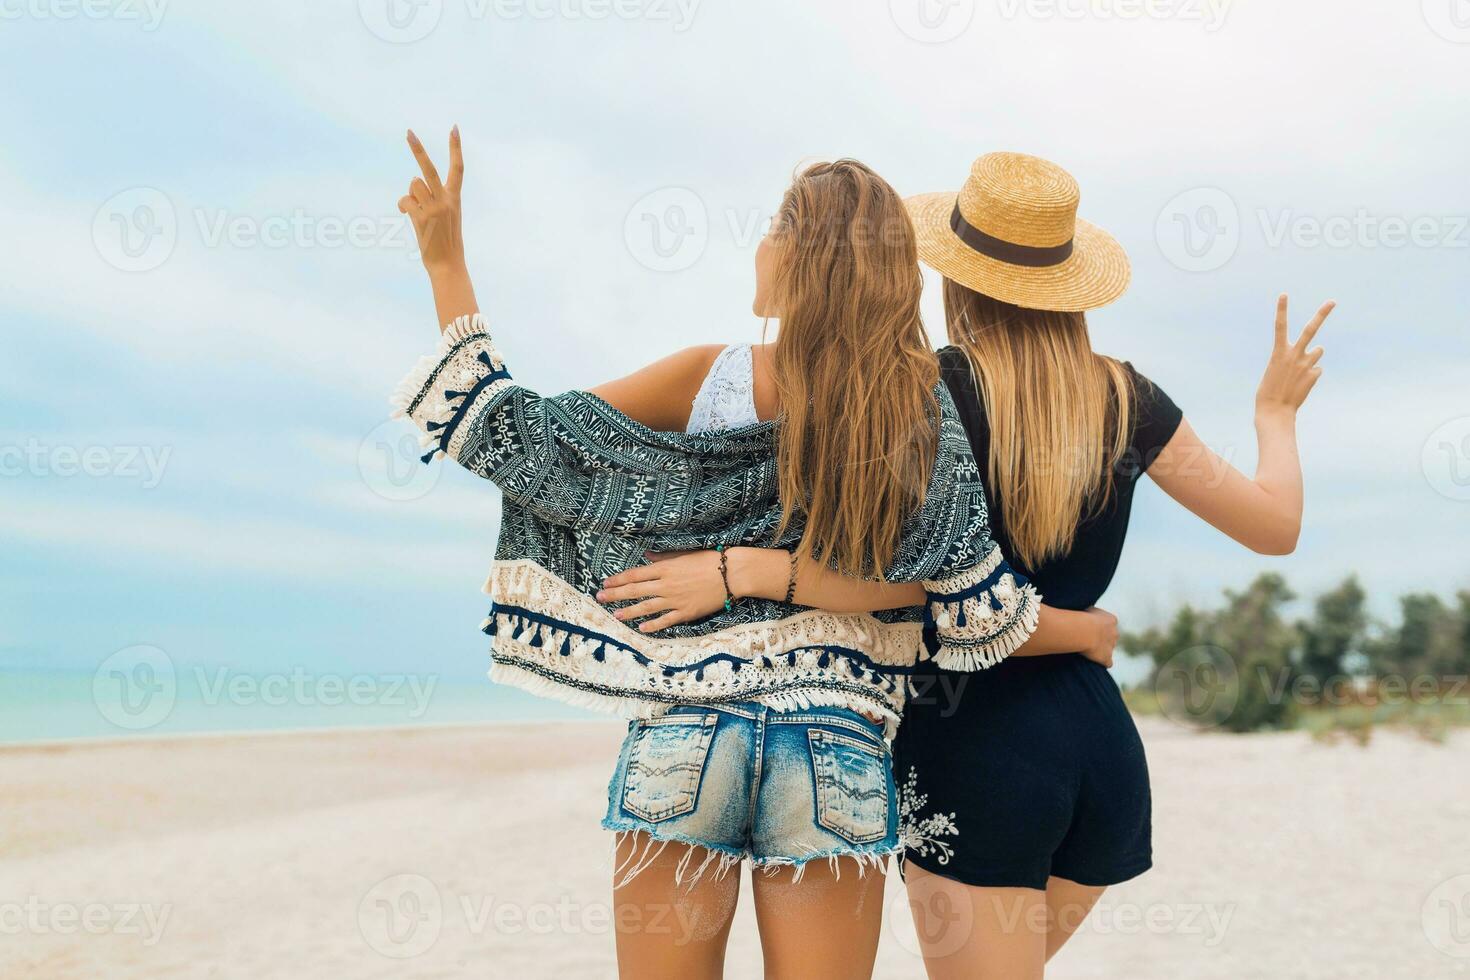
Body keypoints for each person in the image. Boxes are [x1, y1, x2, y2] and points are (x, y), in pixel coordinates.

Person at [390, 131, 1114, 979]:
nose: (761, 243)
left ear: (801, 256)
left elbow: (515, 437)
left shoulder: (709, 376)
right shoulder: (920, 406)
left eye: (774, 225)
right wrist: (1090, 629)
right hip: (834, 745)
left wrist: (446, 262)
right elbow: (966, 607)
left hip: (683, 735)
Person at [601, 151, 1334, 979]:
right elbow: (1276, 527)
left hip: (974, 745)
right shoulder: (1133, 399)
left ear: (955, 276)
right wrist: (1275, 415)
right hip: (1101, 749)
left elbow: (936, 600)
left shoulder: (920, 395)